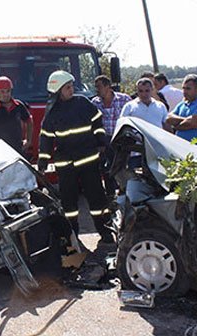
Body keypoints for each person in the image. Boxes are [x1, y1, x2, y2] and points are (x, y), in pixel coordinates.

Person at [39, 70, 114, 244]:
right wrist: (43, 160)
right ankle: (72, 236)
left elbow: (97, 122)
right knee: (69, 203)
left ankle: (105, 231)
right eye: (67, 87)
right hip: (66, 166)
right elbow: (46, 138)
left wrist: (100, 139)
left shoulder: (82, 103)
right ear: (57, 90)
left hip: (89, 160)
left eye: (72, 86)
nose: (71, 90)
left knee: (97, 198)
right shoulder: (51, 113)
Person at [91, 75, 131, 196]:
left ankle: (126, 195)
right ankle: (110, 197)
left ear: (107, 86)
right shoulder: (94, 103)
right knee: (107, 170)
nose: (97, 90)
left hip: (121, 140)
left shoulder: (124, 99)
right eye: (96, 87)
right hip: (105, 141)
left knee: (123, 169)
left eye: (99, 87)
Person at [119, 78, 169, 168]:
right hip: (136, 152)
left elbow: (167, 126)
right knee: (137, 179)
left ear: (152, 90)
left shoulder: (160, 106)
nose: (144, 94)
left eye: (147, 91)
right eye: (140, 91)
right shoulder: (129, 107)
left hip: (156, 151)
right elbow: (122, 127)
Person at [166, 74, 197, 148]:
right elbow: (168, 118)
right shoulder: (182, 104)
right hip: (181, 149)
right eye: (183, 88)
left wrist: (176, 125)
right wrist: (186, 121)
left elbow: (192, 123)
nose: (184, 92)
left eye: (188, 89)